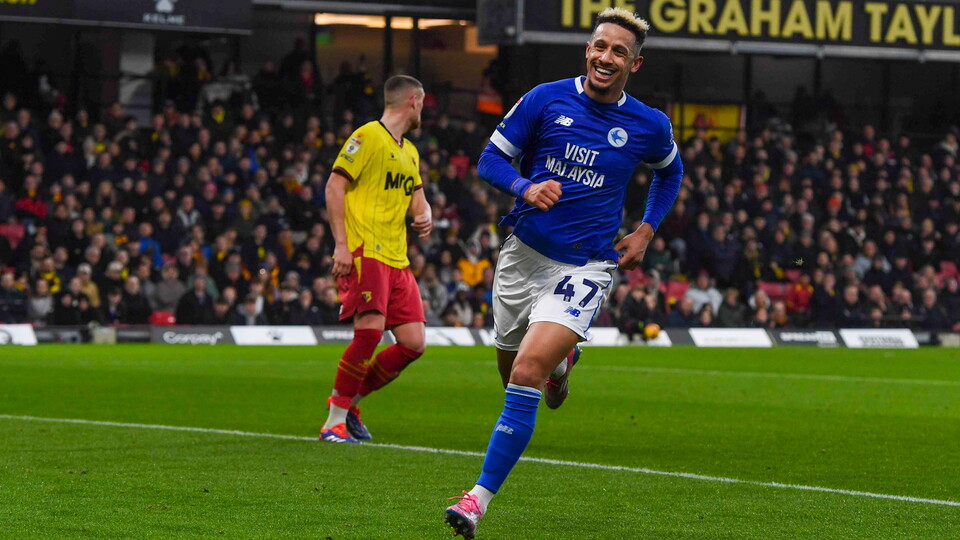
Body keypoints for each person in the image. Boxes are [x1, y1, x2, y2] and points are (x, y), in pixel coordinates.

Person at [443, 9, 683, 537]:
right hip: (522, 258)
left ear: (634, 64)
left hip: (586, 265)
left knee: (525, 371)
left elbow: (670, 173)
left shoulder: (649, 124)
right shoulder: (544, 99)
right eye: (600, 46)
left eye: (619, 51)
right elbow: (490, 160)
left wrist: (645, 230)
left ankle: (476, 500)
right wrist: (525, 187)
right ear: (588, 50)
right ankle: (561, 367)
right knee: (513, 375)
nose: (606, 57)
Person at [319, 75, 432, 444]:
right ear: (413, 101)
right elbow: (334, 186)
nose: (423, 110)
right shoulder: (367, 136)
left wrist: (425, 214)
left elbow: (418, 200)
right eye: (422, 103)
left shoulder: (410, 151)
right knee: (369, 333)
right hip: (366, 249)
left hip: (398, 258)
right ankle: (333, 422)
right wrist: (341, 245)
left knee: (413, 343)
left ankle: (350, 404)